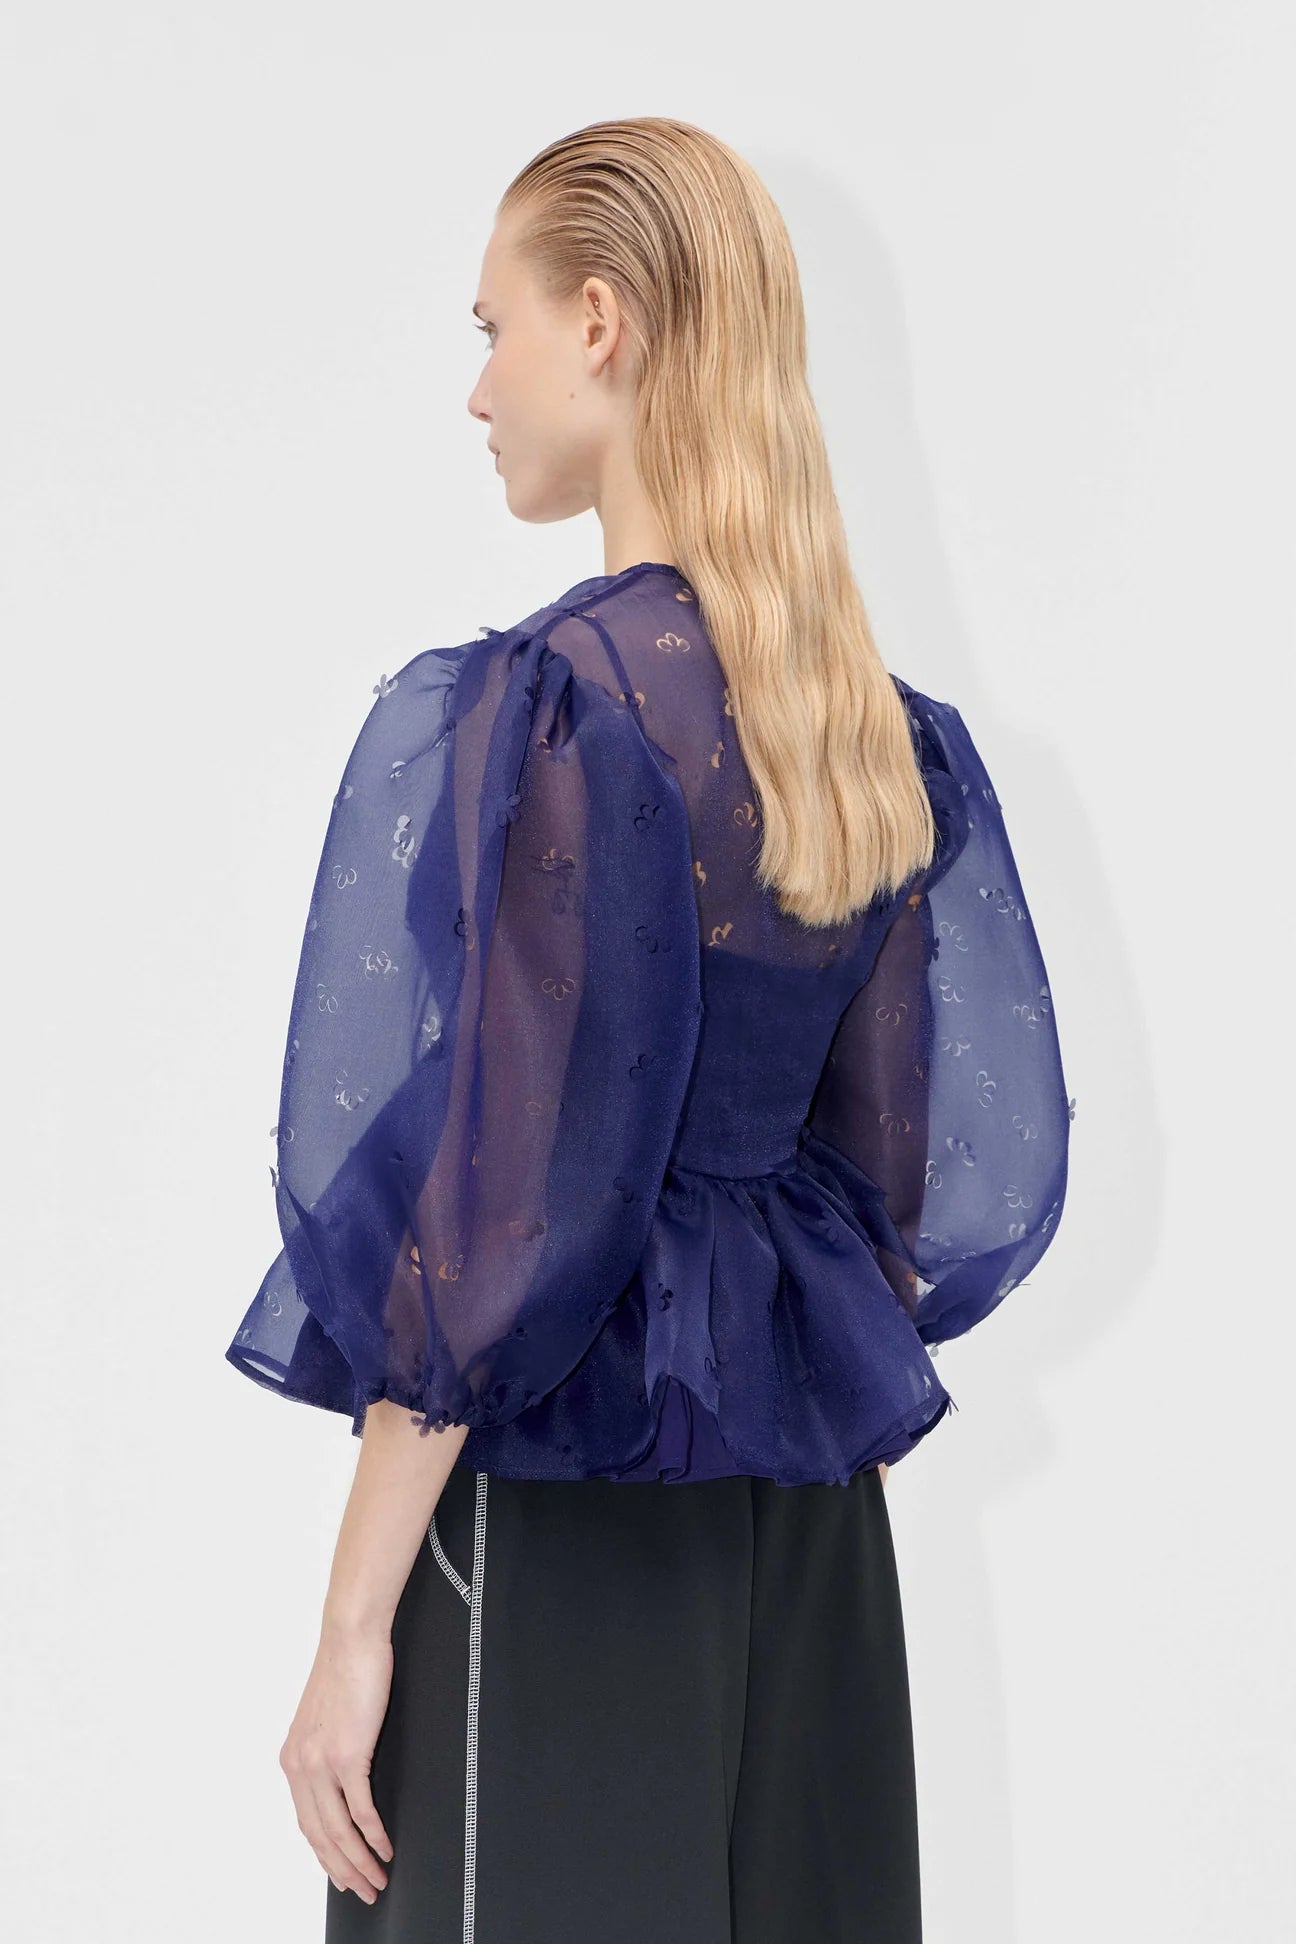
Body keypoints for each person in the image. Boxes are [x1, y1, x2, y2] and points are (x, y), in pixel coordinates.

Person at [224, 117, 1072, 1943]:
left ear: (600, 322)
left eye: (495, 327)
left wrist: (354, 1626)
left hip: (560, 1523)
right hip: (808, 1542)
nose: (479, 390)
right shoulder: (873, 742)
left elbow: (496, 1215)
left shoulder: (562, 706)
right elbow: (888, 1197)